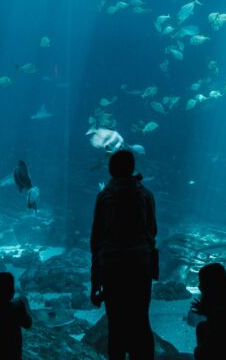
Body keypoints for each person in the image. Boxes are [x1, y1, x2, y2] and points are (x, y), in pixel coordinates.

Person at [90, 149, 157, 360]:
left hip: (112, 266)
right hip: (140, 264)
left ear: (111, 170)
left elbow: (97, 238)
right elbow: (152, 230)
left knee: (116, 323)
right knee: (140, 320)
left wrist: (95, 280)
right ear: (132, 168)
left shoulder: (104, 197)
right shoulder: (145, 194)